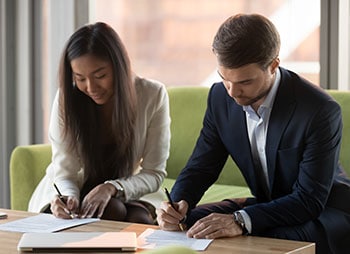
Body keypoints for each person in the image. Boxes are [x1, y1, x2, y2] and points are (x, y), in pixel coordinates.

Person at [156, 14, 350, 253]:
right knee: (188, 224)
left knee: (261, 238)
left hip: (324, 211)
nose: (233, 92)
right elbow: (201, 167)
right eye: (224, 79)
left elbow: (309, 200)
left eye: (245, 82)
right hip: (269, 205)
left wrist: (240, 220)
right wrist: (177, 205)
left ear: (273, 65)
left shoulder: (319, 110)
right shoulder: (219, 98)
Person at [28, 22, 171, 225]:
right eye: (80, 78)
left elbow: (154, 173)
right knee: (110, 212)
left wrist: (112, 187)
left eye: (100, 76)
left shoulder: (152, 95)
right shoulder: (66, 99)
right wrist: (68, 197)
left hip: (125, 189)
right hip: (74, 190)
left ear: (119, 67)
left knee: (136, 219)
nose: (91, 87)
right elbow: (65, 172)